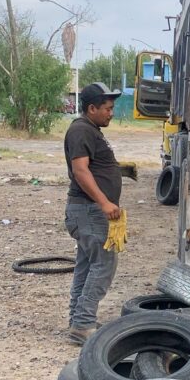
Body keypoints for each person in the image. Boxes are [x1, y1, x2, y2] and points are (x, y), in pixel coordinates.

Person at [63, 82, 123, 345]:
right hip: (89, 211)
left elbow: (92, 166)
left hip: (86, 211)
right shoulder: (81, 131)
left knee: (86, 266)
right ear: (91, 108)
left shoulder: (90, 130)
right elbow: (81, 170)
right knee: (104, 265)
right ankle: (83, 323)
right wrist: (104, 202)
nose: (111, 113)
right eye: (108, 109)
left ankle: (79, 320)